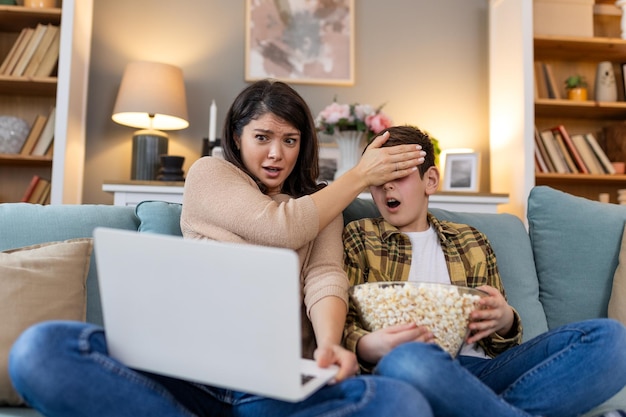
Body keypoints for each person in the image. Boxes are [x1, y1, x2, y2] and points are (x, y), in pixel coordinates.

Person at [8, 80, 432, 417]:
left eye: (290, 140)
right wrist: (357, 177)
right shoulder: (209, 174)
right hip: (189, 372)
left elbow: (324, 278)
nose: (275, 153)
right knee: (40, 350)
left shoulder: (322, 203)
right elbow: (278, 229)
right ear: (236, 135)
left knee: (402, 403)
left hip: (276, 383)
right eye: (262, 136)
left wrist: (329, 344)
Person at [342, 125, 626, 417]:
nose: (388, 186)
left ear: (430, 180)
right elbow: (343, 320)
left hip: (483, 370)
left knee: (613, 340)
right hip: (412, 368)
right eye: (378, 178)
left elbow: (499, 343)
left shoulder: (471, 240)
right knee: (406, 361)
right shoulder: (360, 236)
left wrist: (503, 319)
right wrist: (367, 345)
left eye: (399, 175)